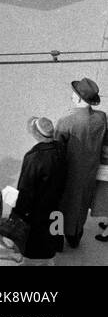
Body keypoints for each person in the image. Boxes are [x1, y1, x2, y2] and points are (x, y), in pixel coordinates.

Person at [55, 77, 107, 249]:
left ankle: (56, 240)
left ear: (78, 98)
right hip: (90, 172)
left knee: (60, 205)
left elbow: (57, 150)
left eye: (74, 94)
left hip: (68, 174)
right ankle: (75, 237)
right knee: (81, 205)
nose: (72, 96)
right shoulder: (101, 118)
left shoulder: (66, 121)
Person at [13, 115, 68, 262]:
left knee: (36, 248)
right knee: (54, 235)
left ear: (37, 135)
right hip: (57, 205)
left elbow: (25, 189)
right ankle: (55, 249)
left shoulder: (33, 157)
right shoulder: (61, 148)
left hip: (38, 210)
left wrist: (18, 212)